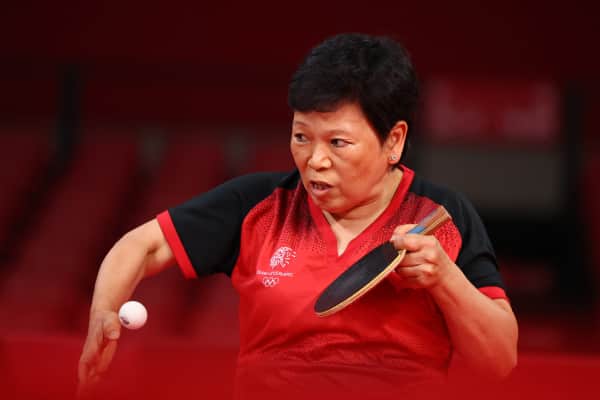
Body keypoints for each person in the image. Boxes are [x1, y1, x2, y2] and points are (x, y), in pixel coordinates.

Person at [77, 33, 518, 400]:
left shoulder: (442, 216)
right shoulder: (259, 204)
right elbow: (142, 245)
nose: (315, 160)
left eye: (337, 143)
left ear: (394, 141)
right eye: (302, 137)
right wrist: (103, 312)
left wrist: (444, 279)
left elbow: (500, 360)